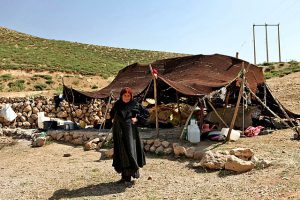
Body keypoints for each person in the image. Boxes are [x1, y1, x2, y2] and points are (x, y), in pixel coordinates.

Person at [110, 87, 146, 183]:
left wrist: (137, 119)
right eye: (124, 95)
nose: (126, 97)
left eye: (128, 95)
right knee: (121, 152)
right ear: (121, 96)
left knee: (130, 150)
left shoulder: (135, 105)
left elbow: (146, 114)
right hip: (118, 132)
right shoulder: (117, 105)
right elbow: (112, 114)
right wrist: (113, 119)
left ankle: (130, 175)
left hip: (130, 132)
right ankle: (124, 177)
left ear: (131, 96)